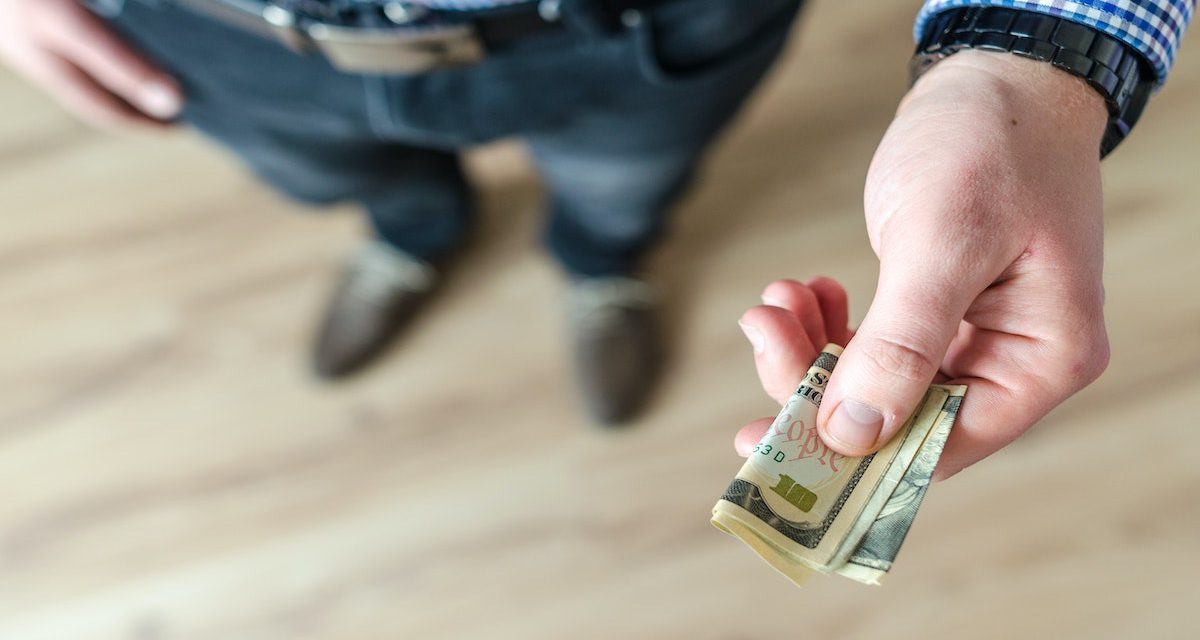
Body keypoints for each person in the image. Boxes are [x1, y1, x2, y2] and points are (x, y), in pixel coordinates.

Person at [0, 1, 1191, 471]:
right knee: (339, 180)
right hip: (214, 33)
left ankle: (601, 267)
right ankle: (416, 235)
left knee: (625, 190)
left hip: (639, 24)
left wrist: (1038, 57)